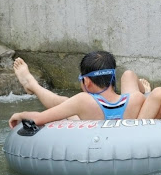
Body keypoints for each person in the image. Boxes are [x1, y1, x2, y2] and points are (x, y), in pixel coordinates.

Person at [8, 51, 149, 128]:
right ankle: (146, 90)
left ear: (86, 81)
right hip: (127, 107)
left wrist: (20, 115)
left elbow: (38, 119)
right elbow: (130, 78)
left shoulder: (83, 101)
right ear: (112, 77)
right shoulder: (136, 98)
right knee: (129, 75)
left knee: (64, 102)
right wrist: (146, 94)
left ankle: (32, 84)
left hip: (93, 120)